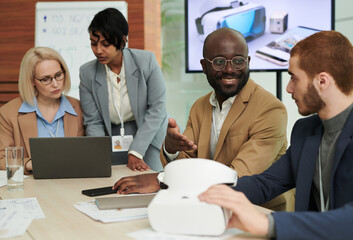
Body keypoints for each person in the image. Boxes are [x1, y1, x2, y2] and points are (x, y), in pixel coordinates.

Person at [198, 30, 353, 240]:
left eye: (294, 78)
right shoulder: (306, 131)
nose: (289, 88)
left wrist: (267, 223)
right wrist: (205, 193)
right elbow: (265, 183)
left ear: (322, 81)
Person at [114, 27, 294, 211]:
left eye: (238, 61)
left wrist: (162, 179)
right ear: (204, 66)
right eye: (218, 62)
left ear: (248, 62)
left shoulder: (271, 109)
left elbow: (238, 178)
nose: (230, 69)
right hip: (207, 205)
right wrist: (171, 148)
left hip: (259, 211)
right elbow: (186, 163)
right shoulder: (200, 106)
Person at [79, 8, 167, 172]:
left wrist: (136, 150)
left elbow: (157, 110)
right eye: (93, 43)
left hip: (148, 134)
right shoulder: (87, 73)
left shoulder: (146, 62)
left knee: (154, 182)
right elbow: (93, 122)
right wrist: (98, 155)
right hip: (110, 138)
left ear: (122, 40)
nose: (98, 50)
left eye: (105, 44)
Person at [0, 47, 85, 174]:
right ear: (31, 81)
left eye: (58, 75)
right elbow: (1, 158)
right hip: (32, 186)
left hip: (71, 183)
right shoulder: (8, 113)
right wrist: (28, 164)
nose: (55, 84)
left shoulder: (79, 108)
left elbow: (88, 154)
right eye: (45, 79)